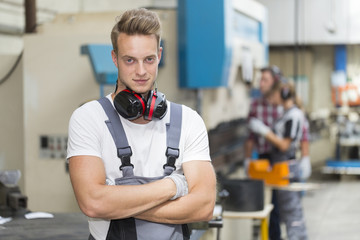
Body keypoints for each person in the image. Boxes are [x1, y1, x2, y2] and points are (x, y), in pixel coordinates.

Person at [67, 8, 216, 240]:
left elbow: (204, 206)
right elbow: (93, 203)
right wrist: (175, 187)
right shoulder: (88, 118)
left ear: (159, 55)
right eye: (129, 60)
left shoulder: (189, 120)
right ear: (114, 58)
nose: (141, 71)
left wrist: (118, 202)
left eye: (149, 59)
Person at [245, 66, 310, 239]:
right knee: (282, 210)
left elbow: (284, 145)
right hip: (276, 165)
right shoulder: (286, 113)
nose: (261, 84)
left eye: (265, 80)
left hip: (285, 166)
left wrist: (265, 131)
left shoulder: (292, 115)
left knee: (291, 212)